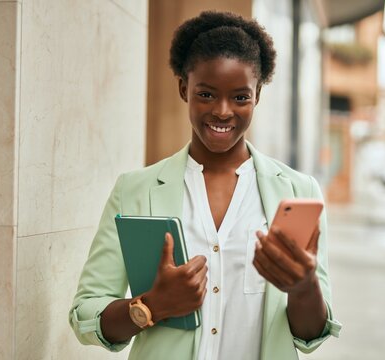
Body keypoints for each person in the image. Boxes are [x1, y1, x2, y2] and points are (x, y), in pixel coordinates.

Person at [69, 10, 341, 360]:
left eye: (240, 97)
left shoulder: (299, 192)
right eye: (207, 94)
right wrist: (151, 305)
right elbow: (86, 315)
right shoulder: (134, 190)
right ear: (184, 88)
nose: (223, 111)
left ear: (257, 95)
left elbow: (311, 336)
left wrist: (304, 287)